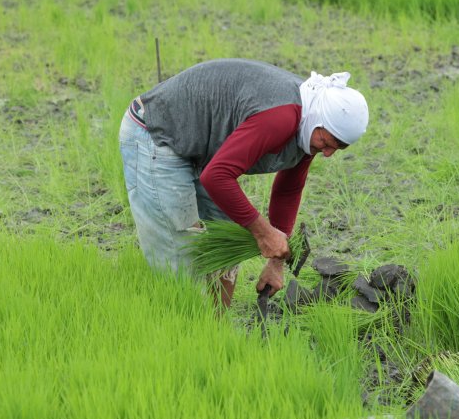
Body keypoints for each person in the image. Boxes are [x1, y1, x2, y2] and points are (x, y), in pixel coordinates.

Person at [118, 58, 370, 308]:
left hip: (202, 148)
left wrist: (276, 261)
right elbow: (216, 177)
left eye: (336, 148)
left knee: (227, 235)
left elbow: (288, 189)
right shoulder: (281, 118)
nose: (326, 153)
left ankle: (217, 327)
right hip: (158, 134)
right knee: (178, 253)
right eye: (326, 143)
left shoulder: (310, 127)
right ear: (319, 119)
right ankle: (181, 330)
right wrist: (263, 233)